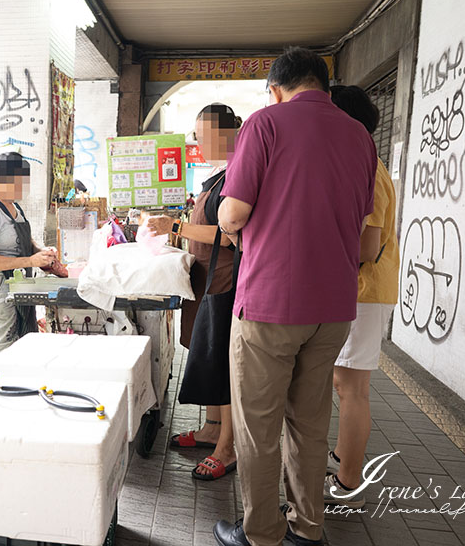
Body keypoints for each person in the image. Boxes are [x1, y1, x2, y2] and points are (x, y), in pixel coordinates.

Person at [213, 47, 376, 546]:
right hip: (334, 308)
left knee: (258, 426)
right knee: (309, 424)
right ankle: (308, 530)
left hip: (271, 303)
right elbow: (363, 229)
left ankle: (261, 532)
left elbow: (234, 212)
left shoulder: (266, 124)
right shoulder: (360, 137)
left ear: (276, 88)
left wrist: (227, 222)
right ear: (323, 86)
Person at [147, 104, 243, 481]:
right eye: (196, 137)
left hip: (227, 281)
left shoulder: (238, 174)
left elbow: (231, 235)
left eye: (203, 136)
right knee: (209, 357)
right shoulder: (218, 175)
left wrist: (176, 227)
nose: (198, 144)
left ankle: (228, 447)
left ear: (228, 133)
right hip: (209, 279)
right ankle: (212, 428)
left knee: (226, 366)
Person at [324, 86, 399, 507]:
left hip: (365, 290)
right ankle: (342, 457)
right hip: (364, 290)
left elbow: (366, 247)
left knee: (352, 388)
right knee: (346, 382)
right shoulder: (366, 162)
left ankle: (349, 480)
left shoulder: (367, 168)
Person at [0, 152, 57, 355]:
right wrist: (30, 260)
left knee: (25, 341)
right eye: (17, 181)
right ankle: (2, 385)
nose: (22, 187)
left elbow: (25, 240)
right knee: (6, 346)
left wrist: (41, 252)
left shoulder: (14, 206)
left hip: (18, 284)